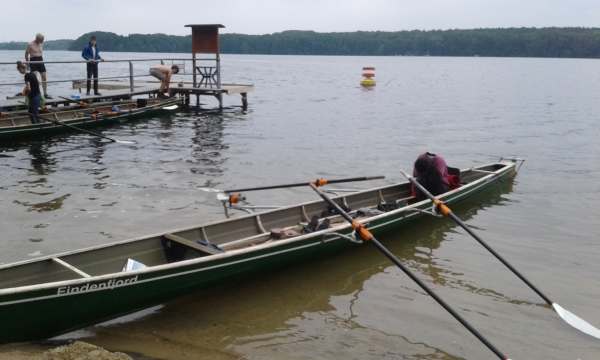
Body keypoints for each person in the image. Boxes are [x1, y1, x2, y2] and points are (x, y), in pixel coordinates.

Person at [25, 33, 52, 99]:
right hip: (33, 60)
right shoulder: (30, 44)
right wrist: (28, 63)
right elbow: (26, 54)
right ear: (38, 39)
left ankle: (45, 94)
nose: (43, 41)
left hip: (40, 59)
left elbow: (40, 52)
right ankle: (36, 93)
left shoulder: (41, 44)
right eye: (42, 40)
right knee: (34, 78)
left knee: (44, 77)